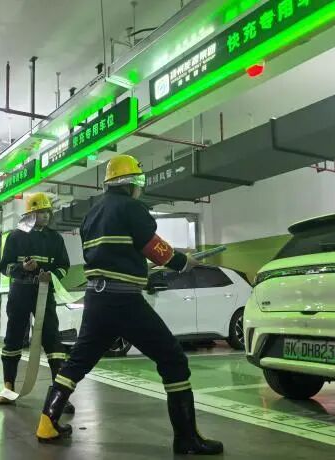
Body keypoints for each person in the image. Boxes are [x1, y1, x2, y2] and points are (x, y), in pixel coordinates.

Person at [35, 155, 223, 455]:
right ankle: (187, 438)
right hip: (124, 301)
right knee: (173, 359)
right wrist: (181, 262)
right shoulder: (132, 208)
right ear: (132, 183)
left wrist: (136, 269)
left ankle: (47, 423)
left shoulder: (91, 215)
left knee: (77, 362)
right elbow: (155, 248)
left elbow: (111, 255)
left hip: (97, 299)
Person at [0, 192, 74, 414]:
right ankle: (8, 388)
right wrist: (22, 268)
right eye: (40, 212)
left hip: (45, 293)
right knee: (14, 337)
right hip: (20, 292)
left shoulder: (55, 239)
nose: (45, 216)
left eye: (47, 212)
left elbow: (64, 266)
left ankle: (60, 395)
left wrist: (52, 276)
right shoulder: (15, 237)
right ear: (30, 214)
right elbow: (4, 266)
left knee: (53, 340)